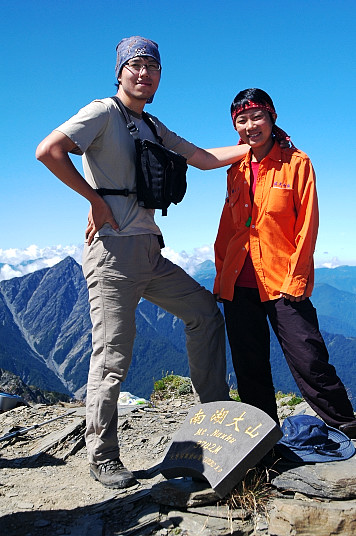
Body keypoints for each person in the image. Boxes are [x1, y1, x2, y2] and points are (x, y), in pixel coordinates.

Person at [35, 36, 250, 489]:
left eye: (152, 67)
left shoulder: (151, 125)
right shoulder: (102, 112)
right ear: (119, 72)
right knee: (112, 358)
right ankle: (103, 454)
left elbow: (204, 158)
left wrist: (258, 144)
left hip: (150, 252)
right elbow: (48, 150)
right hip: (112, 253)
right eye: (134, 65)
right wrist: (93, 200)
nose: (143, 73)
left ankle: (213, 416)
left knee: (204, 314)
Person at [213, 87, 356, 439]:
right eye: (241, 120)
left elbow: (308, 225)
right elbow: (227, 228)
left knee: (310, 361)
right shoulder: (236, 168)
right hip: (239, 282)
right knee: (250, 368)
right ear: (236, 127)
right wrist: (220, 278)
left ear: (272, 118)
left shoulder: (297, 163)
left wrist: (297, 280)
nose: (250, 126)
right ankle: (264, 440)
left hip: (283, 282)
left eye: (256, 116)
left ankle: (348, 426)